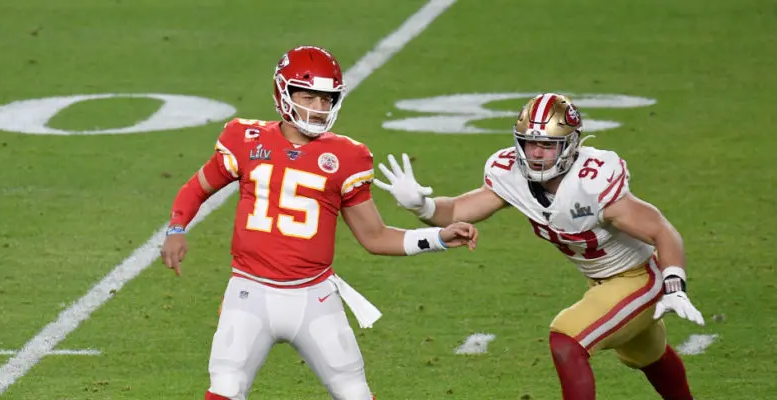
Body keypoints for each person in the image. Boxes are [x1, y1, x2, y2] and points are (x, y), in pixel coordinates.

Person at [159, 45, 478, 400]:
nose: (319, 108)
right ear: (284, 93)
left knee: (354, 391)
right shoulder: (245, 139)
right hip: (250, 291)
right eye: (309, 97)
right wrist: (176, 228)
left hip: (314, 295)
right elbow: (197, 187)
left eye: (327, 99)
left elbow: (375, 237)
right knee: (226, 387)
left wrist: (437, 237)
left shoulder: (348, 156)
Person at [374, 93, 704, 400]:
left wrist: (674, 284)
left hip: (638, 279)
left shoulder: (592, 181)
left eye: (547, 144)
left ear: (571, 145)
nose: (535, 153)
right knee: (647, 355)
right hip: (601, 282)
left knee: (567, 339)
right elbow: (459, 210)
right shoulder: (512, 176)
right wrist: (422, 206)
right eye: (529, 143)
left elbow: (661, 230)